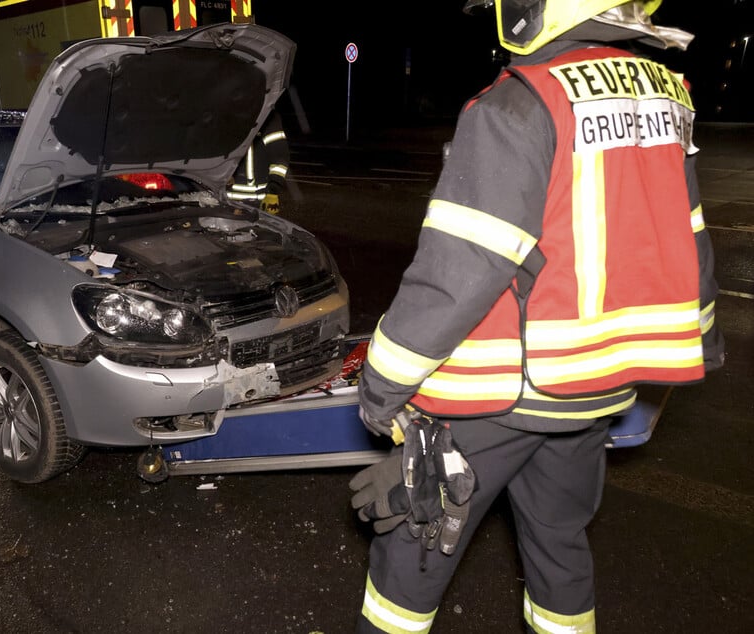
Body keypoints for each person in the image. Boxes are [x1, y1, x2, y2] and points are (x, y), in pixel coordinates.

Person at [349, 1, 725, 632]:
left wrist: (381, 385)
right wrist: (702, 344)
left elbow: (460, 269)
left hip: (499, 396)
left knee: (411, 556)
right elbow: (690, 238)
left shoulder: (520, 103)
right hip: (597, 387)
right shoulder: (665, 97)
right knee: (559, 550)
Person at [226, 111, 289, 214]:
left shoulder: (267, 119)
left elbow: (280, 157)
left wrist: (273, 191)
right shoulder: (225, 117)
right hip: (223, 198)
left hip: (256, 202)